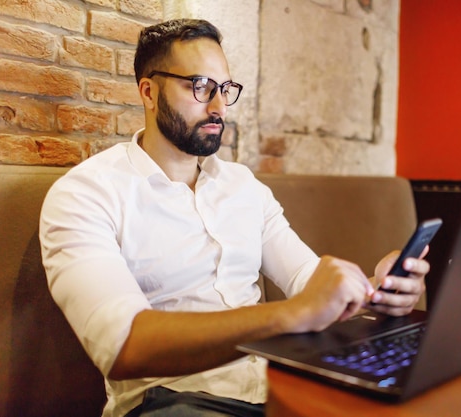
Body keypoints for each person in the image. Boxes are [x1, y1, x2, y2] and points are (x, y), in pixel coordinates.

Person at [39, 18, 429, 417]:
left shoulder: (243, 186)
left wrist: (376, 291)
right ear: (148, 91)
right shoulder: (86, 194)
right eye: (200, 86)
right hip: (173, 404)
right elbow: (124, 348)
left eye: (224, 89)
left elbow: (307, 282)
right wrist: (291, 315)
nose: (219, 107)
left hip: (276, 391)